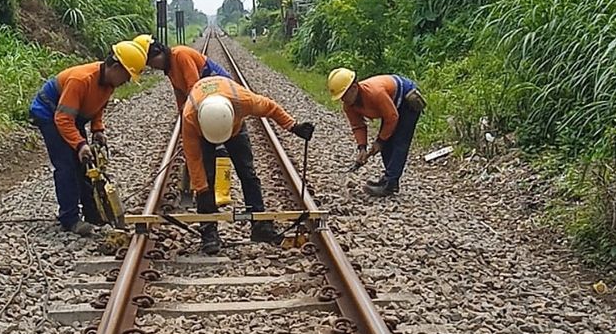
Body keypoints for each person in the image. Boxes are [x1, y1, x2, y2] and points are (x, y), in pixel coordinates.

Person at [182, 76, 315, 255]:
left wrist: (293, 126)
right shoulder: (190, 117)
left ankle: (259, 226)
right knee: (206, 177)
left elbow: (270, 107)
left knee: (247, 173)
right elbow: (193, 160)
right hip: (203, 134)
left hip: (235, 129)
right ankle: (209, 232)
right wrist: (202, 190)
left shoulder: (242, 100)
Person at [29, 41, 147, 235]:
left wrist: (97, 129)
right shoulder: (81, 80)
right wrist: (80, 144)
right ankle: (70, 219)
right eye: (126, 75)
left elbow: (97, 105)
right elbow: (62, 118)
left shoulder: (108, 83)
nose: (126, 81)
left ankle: (92, 214)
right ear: (115, 67)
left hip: (71, 116)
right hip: (50, 113)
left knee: (86, 165)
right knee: (67, 165)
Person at [328, 68, 425, 197]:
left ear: (354, 87)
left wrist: (380, 141)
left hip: (406, 99)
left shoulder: (375, 93)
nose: (343, 100)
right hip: (391, 106)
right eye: (341, 97)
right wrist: (362, 148)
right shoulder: (349, 106)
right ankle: (388, 179)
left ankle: (390, 184)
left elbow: (392, 117)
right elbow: (358, 126)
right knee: (386, 145)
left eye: (345, 95)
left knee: (399, 142)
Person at [133, 34, 231, 111]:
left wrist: (188, 110)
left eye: (152, 62)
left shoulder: (180, 55)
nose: (153, 66)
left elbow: (194, 86)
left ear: (160, 52)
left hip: (219, 84)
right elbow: (179, 93)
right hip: (205, 91)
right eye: (149, 65)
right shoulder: (169, 67)